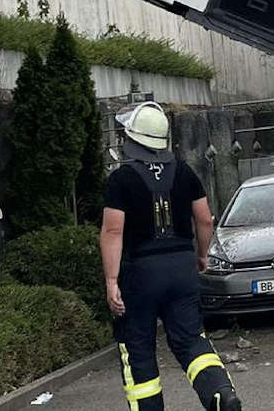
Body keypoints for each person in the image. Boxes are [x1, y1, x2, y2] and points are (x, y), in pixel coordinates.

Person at [102, 101, 241, 411]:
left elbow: (112, 232)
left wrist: (112, 281)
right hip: (181, 269)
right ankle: (220, 393)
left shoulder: (121, 179)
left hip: (139, 274)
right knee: (191, 340)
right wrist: (201, 255)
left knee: (138, 347)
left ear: (133, 140)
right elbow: (205, 220)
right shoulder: (184, 172)